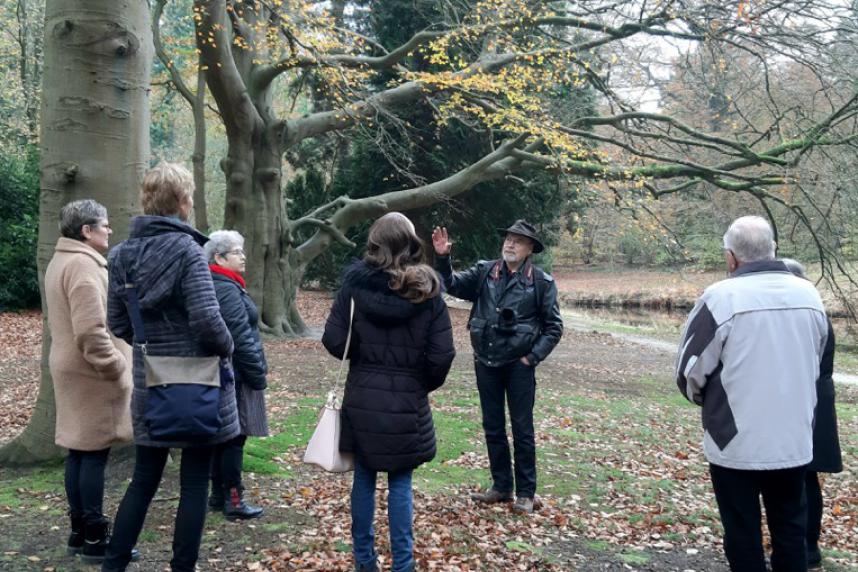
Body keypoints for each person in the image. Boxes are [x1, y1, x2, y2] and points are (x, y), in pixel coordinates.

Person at [101, 163, 239, 572]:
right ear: (181, 203)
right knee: (194, 481)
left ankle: (113, 564)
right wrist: (228, 347)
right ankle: (182, 567)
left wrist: (151, 343)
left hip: (151, 381)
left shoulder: (121, 255)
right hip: (197, 383)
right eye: (190, 197)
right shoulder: (188, 252)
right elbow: (208, 321)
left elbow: (118, 323)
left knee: (144, 479)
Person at [675, 216, 828, 572]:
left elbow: (689, 371)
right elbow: (817, 358)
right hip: (793, 438)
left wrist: (708, 403)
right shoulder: (809, 294)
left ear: (731, 257)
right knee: (790, 532)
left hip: (735, 442)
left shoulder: (720, 298)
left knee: (742, 536)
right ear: (773, 248)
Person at [323, 212, 455, 572]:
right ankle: (403, 564)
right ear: (411, 244)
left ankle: (364, 562)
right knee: (400, 482)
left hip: (363, 397)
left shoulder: (354, 290)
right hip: (407, 402)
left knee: (364, 477)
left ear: (375, 243)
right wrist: (418, 383)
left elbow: (334, 340)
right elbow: (443, 355)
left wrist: (363, 358)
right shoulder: (428, 293)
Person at [431, 220, 562, 514]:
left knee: (522, 428)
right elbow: (450, 284)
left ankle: (526, 493)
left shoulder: (541, 282)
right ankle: (502, 486)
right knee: (492, 426)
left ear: (530, 249)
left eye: (518, 240)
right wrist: (442, 258)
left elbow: (554, 328)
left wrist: (531, 358)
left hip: (519, 366)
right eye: (508, 238)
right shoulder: (484, 272)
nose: (510, 244)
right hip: (486, 361)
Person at [44, 200, 134, 564]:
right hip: (91, 372)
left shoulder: (62, 260)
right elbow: (91, 332)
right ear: (86, 230)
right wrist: (116, 368)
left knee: (79, 452)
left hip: (73, 368)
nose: (110, 231)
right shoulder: (83, 265)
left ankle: (80, 530)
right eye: (105, 225)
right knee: (93, 453)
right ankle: (95, 537)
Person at [781, 259, 843, 568]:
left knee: (804, 476)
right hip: (814, 397)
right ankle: (807, 547)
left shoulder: (808, 316)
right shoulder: (814, 313)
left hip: (810, 399)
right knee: (805, 477)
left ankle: (807, 547)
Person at [203, 230, 269, 520]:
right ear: (219, 257)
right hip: (236, 374)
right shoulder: (225, 288)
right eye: (236, 252)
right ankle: (233, 497)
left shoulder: (226, 283)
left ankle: (219, 495)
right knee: (235, 436)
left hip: (232, 372)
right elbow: (240, 337)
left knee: (226, 436)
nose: (243, 256)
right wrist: (258, 374)